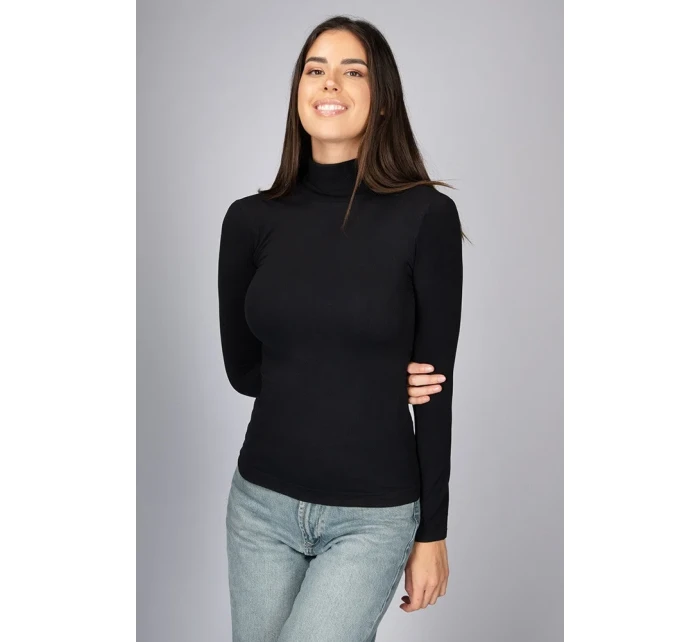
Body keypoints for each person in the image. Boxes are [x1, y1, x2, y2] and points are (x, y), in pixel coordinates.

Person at [217, 15, 467, 642]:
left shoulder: (426, 216)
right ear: (299, 91)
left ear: (381, 100)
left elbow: (434, 394)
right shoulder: (248, 221)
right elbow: (244, 373)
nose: (330, 82)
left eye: (353, 71)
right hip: (260, 507)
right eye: (315, 69)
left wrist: (432, 532)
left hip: (372, 517)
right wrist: (364, 373)